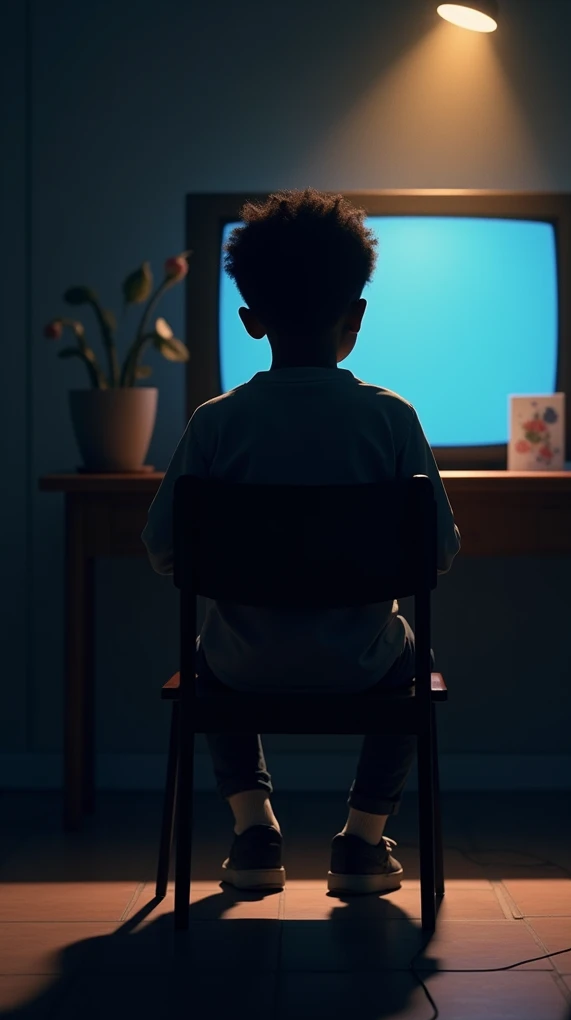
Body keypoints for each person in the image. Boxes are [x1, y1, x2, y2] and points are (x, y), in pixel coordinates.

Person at [142, 188, 460, 896]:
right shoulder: (391, 420)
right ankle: (361, 842)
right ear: (357, 318)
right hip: (362, 667)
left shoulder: (216, 424)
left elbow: (164, 550)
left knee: (206, 653)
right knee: (417, 655)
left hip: (243, 668)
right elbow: (436, 551)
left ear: (251, 322)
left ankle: (255, 833)